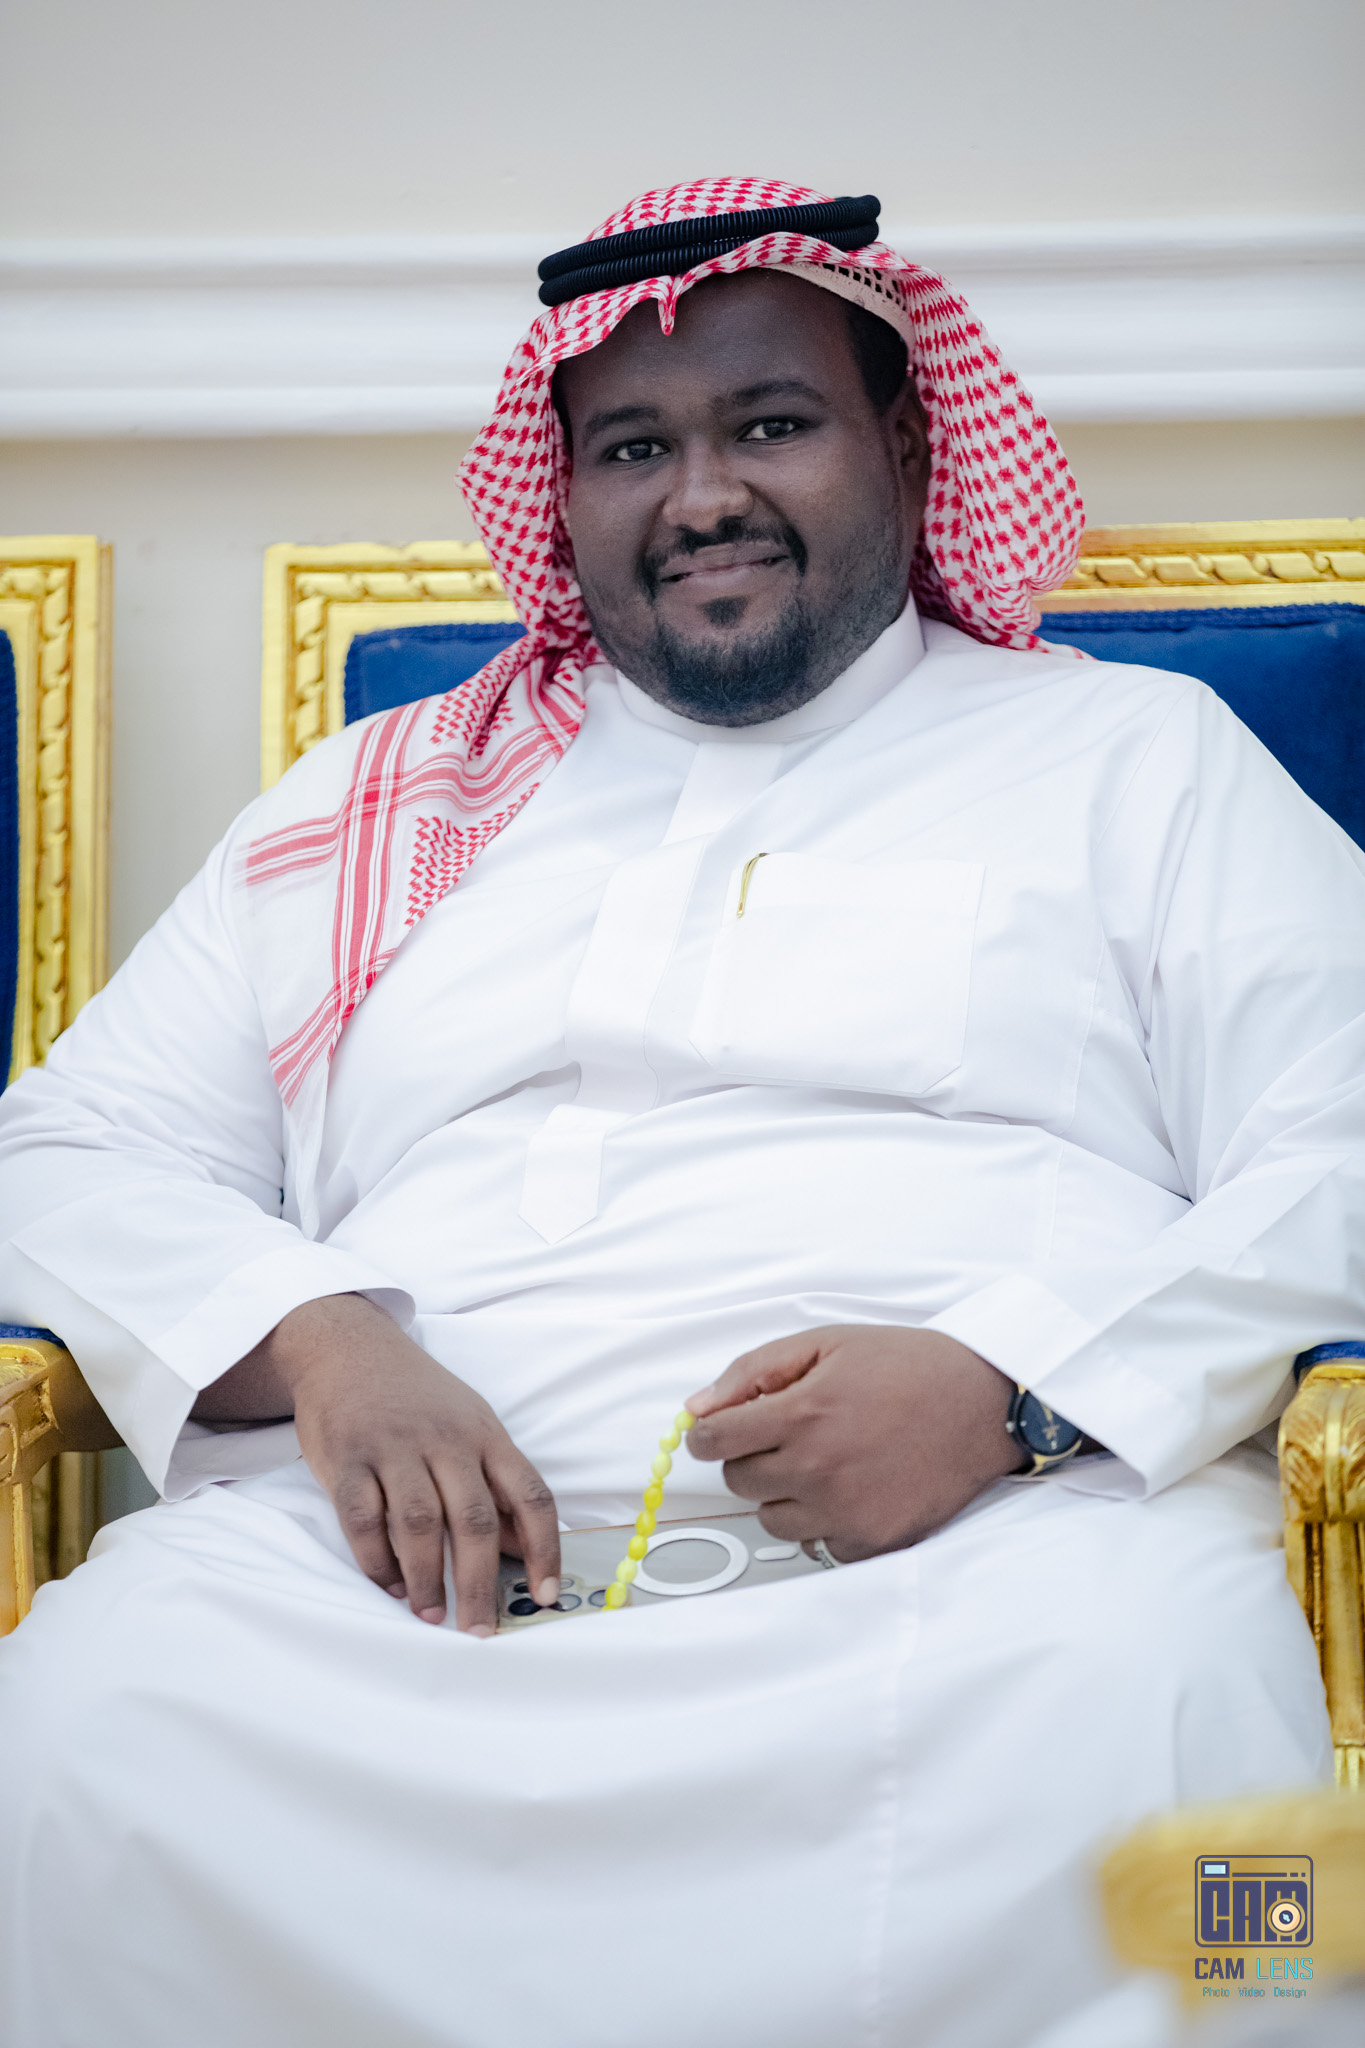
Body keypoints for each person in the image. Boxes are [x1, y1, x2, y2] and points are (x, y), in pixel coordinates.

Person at [0, 178, 1358, 2048]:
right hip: (389, 1597)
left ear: (906, 445)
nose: (701, 494)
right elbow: (65, 1150)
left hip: (996, 1563)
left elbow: (1338, 1144)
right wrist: (324, 1349)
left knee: (1185, 1724)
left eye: (770, 425)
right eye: (633, 447)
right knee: (91, 1712)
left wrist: (1012, 1393)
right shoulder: (380, 806)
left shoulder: (1127, 762)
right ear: (560, 499)